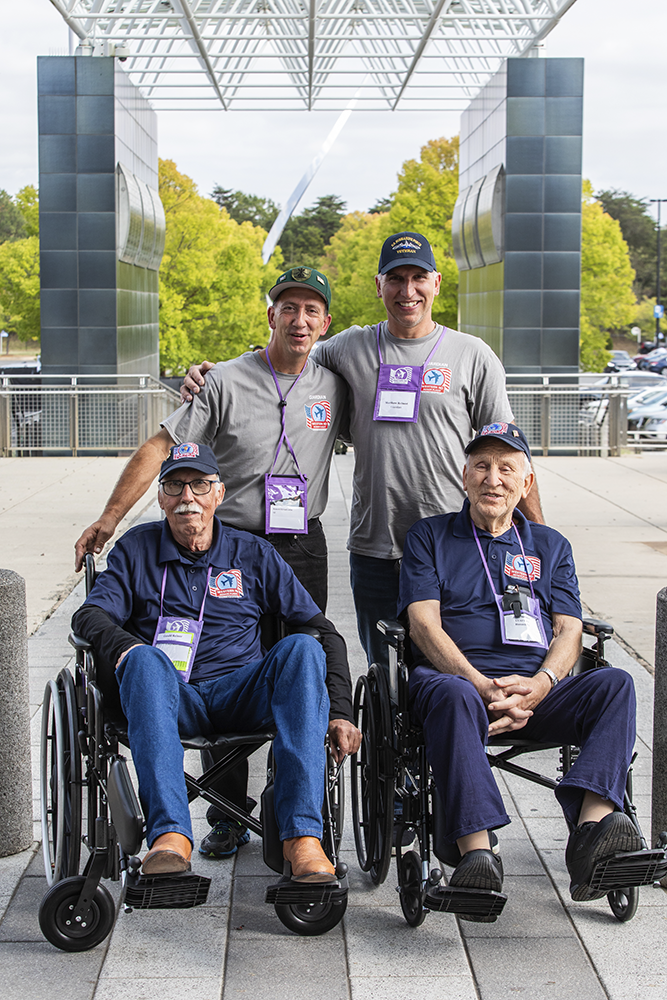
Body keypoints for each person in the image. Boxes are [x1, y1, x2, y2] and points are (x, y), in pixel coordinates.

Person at [74, 265, 346, 858]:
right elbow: (163, 447)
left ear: (325, 323)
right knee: (217, 649)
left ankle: (291, 815)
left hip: (299, 542)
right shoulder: (222, 380)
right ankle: (227, 812)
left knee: (297, 662)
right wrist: (111, 517)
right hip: (230, 532)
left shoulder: (336, 382)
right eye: (287, 308)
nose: (299, 320)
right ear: (269, 314)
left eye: (311, 311)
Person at [182, 232, 544, 669]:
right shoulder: (348, 348)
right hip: (376, 546)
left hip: (455, 543)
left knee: (455, 664)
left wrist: (536, 542)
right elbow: (285, 358)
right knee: (383, 669)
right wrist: (214, 373)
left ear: (437, 283)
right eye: (395, 279)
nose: (407, 291)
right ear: (379, 285)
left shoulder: (472, 356)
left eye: (417, 278)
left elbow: (512, 462)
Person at [71, 442, 361, 881]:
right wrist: (127, 648)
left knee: (303, 648)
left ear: (218, 494)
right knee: (144, 660)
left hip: (240, 691)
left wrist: (339, 710)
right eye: (174, 485)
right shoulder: (135, 550)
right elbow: (89, 615)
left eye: (199, 485)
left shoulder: (254, 554)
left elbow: (322, 629)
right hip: (168, 695)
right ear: (161, 496)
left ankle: (302, 838)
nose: (187, 497)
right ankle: (170, 837)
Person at [397, 422, 642, 910]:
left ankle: (592, 830)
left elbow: (570, 630)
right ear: (463, 476)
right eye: (482, 466)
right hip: (458, 685)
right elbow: (423, 625)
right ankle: (476, 853)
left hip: (536, 691)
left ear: (525, 484)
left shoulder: (550, 546)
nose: (494, 479)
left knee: (615, 684)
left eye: (507, 468)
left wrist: (541, 683)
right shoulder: (429, 536)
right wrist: (483, 685)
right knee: (452, 693)